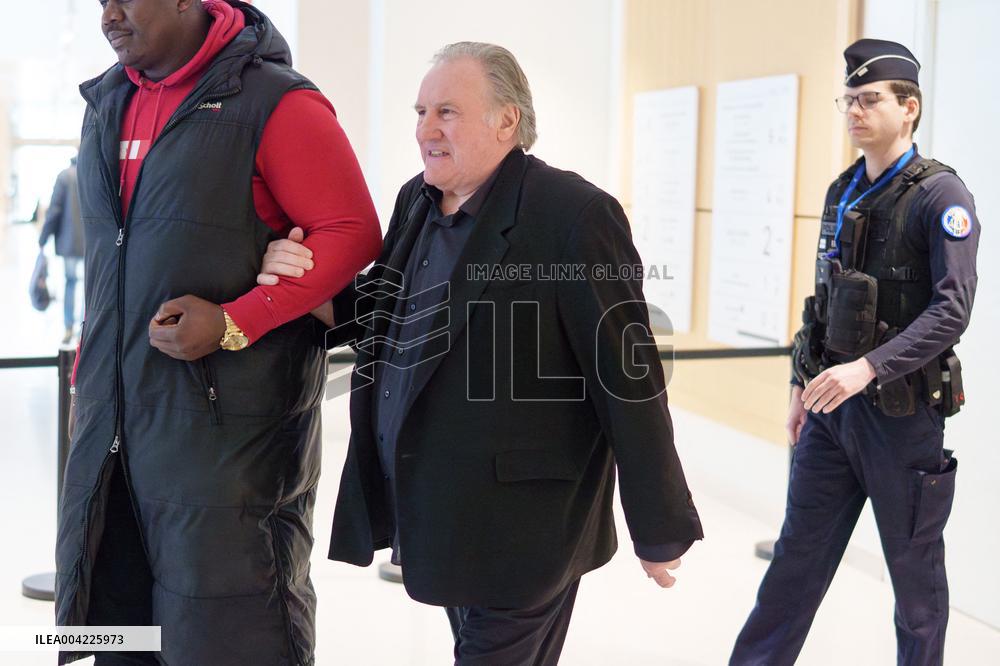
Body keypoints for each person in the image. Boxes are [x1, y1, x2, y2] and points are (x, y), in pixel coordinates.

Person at [260, 41, 703, 665]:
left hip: (528, 526)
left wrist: (659, 525)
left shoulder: (572, 214)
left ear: (506, 121)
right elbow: (381, 322)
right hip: (441, 514)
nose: (425, 130)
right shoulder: (417, 200)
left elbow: (628, 379)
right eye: (419, 112)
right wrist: (302, 279)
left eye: (447, 111)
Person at [55, 1, 380, 664]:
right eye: (99, 2)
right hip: (113, 447)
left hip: (228, 454)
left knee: (228, 638)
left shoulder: (274, 101)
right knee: (120, 636)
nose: (109, 15)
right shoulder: (106, 102)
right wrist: (87, 382)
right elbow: (110, 266)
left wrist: (236, 321)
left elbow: (352, 233)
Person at [730, 39, 979, 666]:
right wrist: (799, 385)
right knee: (793, 567)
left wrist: (868, 365)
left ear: (910, 108)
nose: (854, 112)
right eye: (849, 100)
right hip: (829, 416)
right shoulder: (843, 190)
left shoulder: (941, 198)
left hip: (902, 419)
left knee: (915, 586)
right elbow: (822, 300)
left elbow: (952, 311)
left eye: (870, 100)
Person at [38, 156, 85, 343]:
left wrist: (43, 238)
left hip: (68, 241)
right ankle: (85, 328)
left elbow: (54, 210)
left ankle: (68, 326)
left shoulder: (64, 177)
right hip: (91, 243)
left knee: (71, 282)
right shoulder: (92, 174)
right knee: (90, 286)